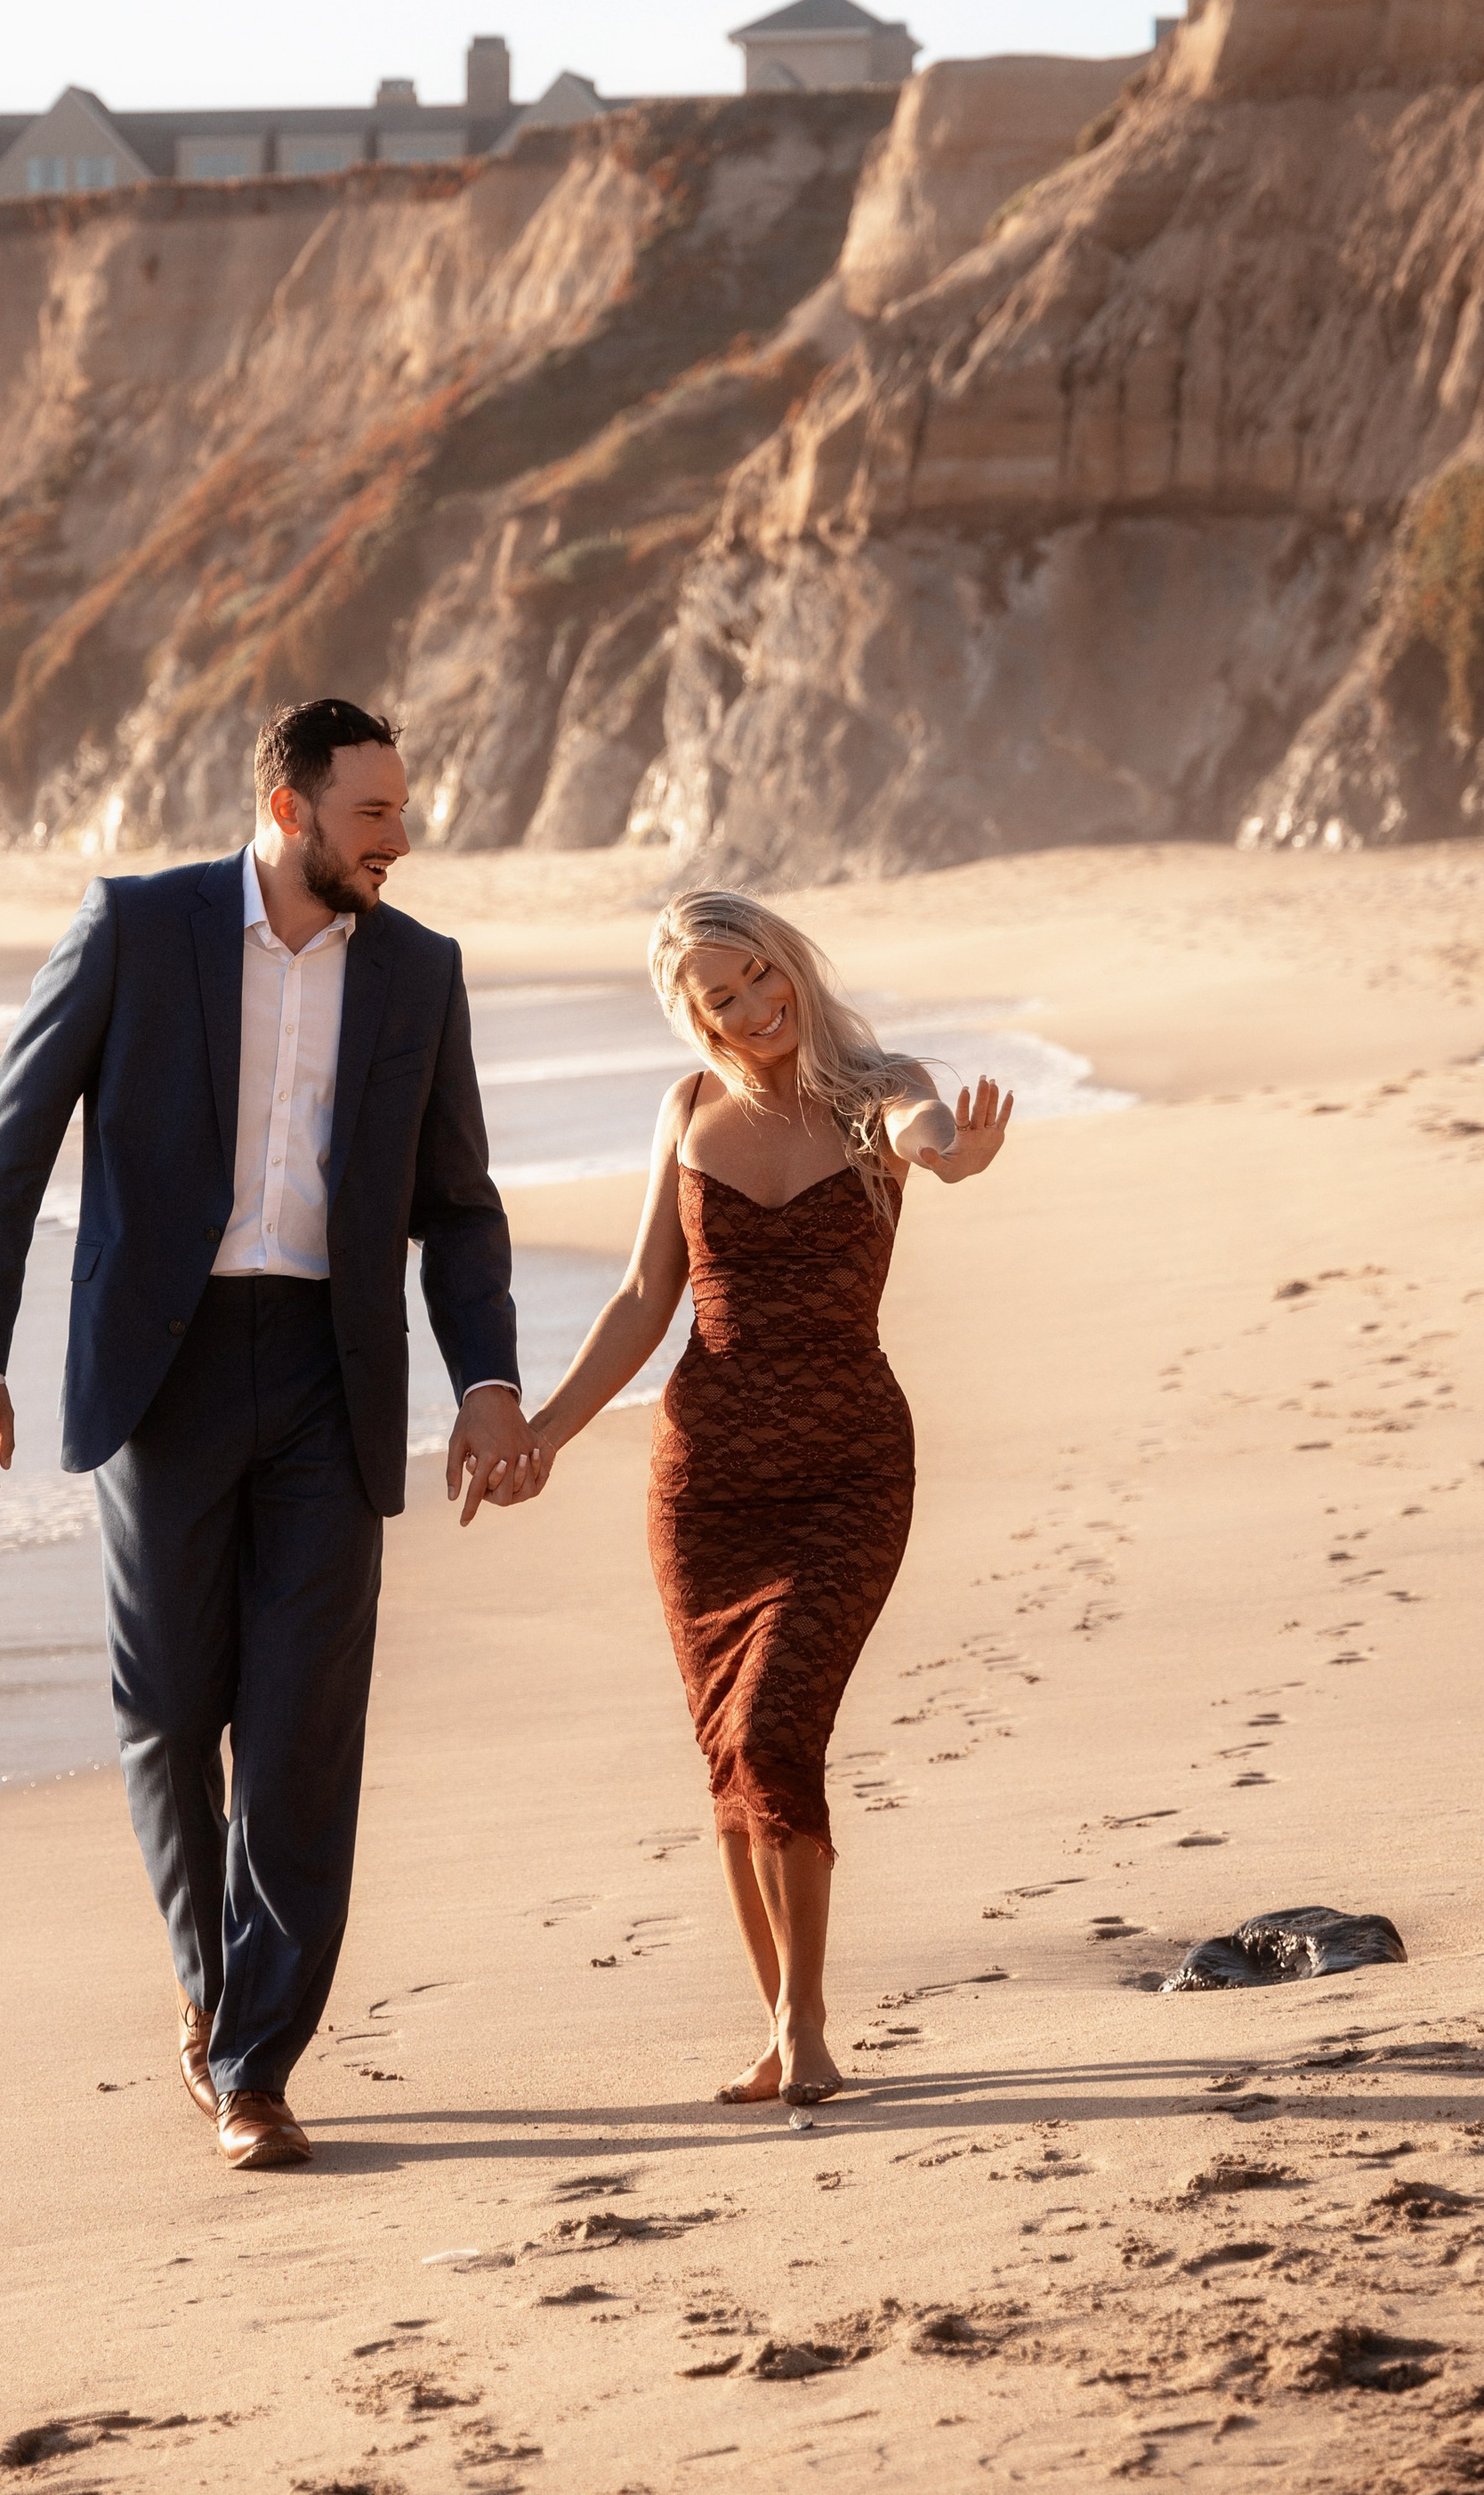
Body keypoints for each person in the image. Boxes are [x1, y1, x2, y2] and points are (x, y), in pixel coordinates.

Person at [0, 698, 542, 2171]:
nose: (401, 838)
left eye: (401, 809)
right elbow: (6, 1154)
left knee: (302, 1733)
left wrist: (489, 1383)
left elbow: (456, 1205)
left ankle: (256, 2065)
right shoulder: (135, 931)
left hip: (334, 1380)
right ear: (289, 808)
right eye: (375, 812)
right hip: (165, 1373)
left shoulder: (418, 972)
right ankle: (209, 2001)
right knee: (167, 1712)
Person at [519, 889, 1012, 2109]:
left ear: (789, 959)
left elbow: (920, 1126)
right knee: (728, 1751)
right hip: (708, 1477)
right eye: (718, 1000)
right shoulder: (687, 1111)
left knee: (777, 1725)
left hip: (848, 1461)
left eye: (758, 977)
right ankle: (782, 2029)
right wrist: (545, 1433)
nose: (751, 1011)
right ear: (690, 1019)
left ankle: (806, 2027)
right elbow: (644, 1298)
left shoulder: (877, 1087)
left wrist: (951, 1151)